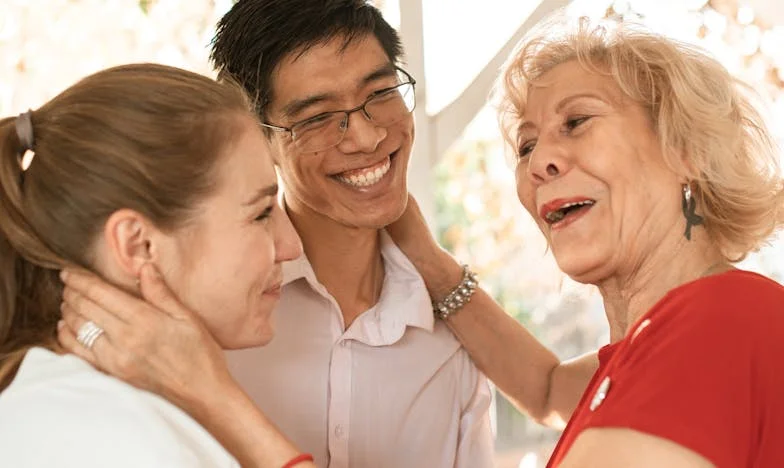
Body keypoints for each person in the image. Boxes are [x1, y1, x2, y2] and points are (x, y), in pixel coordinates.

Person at [388, 15, 784, 467]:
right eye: (526, 146)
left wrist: (284, 444)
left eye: (576, 121)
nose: (539, 162)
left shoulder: (720, 322)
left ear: (684, 148)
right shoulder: (653, 348)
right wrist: (424, 256)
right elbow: (547, 389)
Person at [0, 63, 311, 467]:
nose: (292, 246)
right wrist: (219, 400)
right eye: (261, 213)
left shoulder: (69, 408)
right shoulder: (108, 437)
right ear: (139, 245)